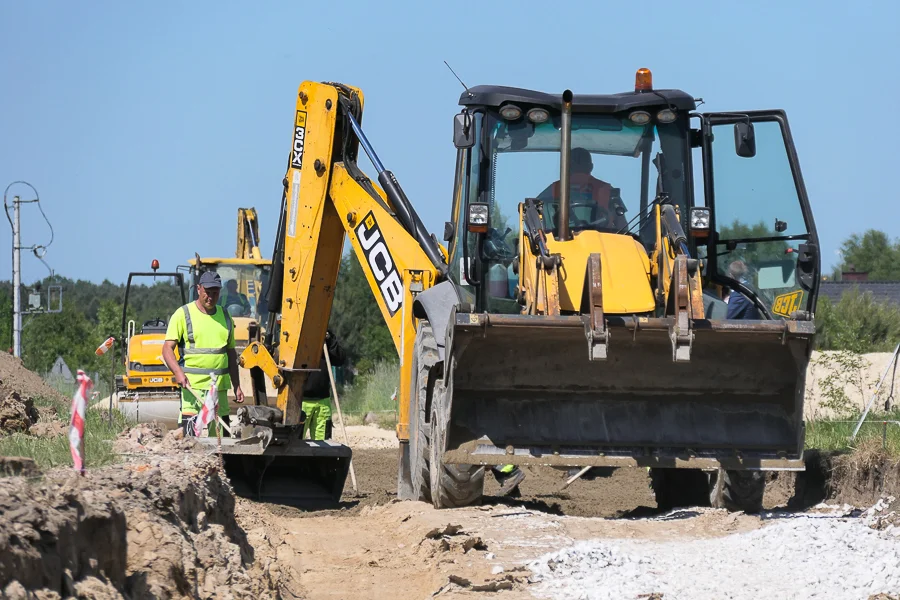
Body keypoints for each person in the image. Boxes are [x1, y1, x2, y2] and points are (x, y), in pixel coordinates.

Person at [162, 271, 244, 435]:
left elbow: (230, 353)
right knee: (190, 439)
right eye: (208, 292)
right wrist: (178, 373)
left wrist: (237, 385)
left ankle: (218, 462)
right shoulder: (183, 314)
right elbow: (166, 349)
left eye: (215, 293)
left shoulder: (225, 316)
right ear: (198, 289)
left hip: (219, 388)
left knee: (221, 440)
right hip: (192, 387)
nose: (211, 297)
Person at [537, 147, 628, 232]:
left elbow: (534, 213)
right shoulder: (606, 189)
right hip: (602, 243)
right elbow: (622, 226)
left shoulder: (555, 188)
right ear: (591, 167)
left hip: (562, 242)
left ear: (567, 167)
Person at [302, 329, 345, 440]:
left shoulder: (325, 335)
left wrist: (329, 340)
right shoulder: (296, 333)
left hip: (322, 401)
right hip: (299, 401)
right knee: (294, 441)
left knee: (322, 444)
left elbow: (340, 359)